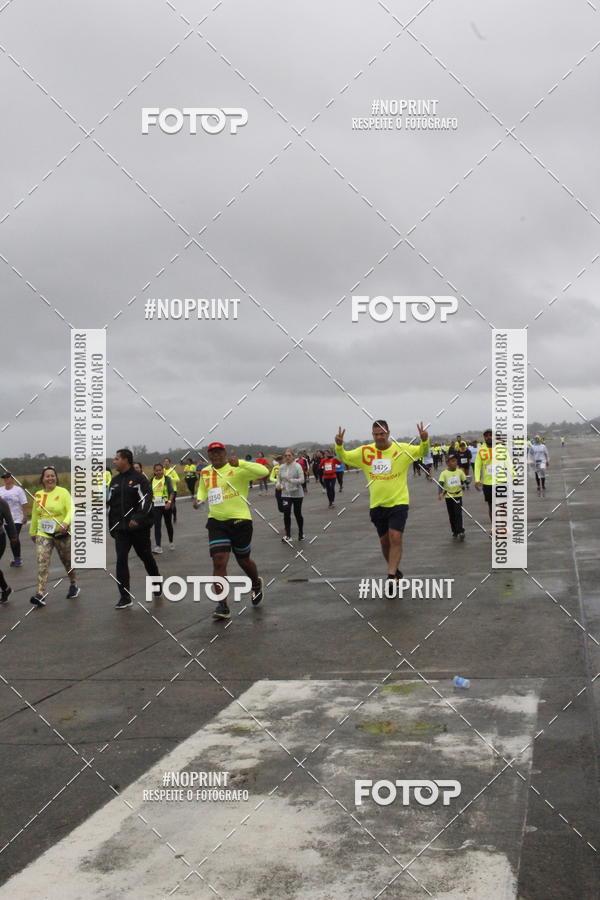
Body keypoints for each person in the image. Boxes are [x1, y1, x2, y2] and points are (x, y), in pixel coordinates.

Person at [335, 420, 429, 581]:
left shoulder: (402, 450)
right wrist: (339, 445)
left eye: (382, 434)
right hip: (377, 505)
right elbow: (344, 457)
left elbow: (422, 451)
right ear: (372, 435)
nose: (379, 437)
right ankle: (395, 569)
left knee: (396, 536)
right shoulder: (364, 452)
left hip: (399, 502)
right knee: (385, 542)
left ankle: (391, 576)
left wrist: (425, 440)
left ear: (388, 433)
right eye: (376, 434)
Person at [194, 442, 267, 620]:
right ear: (208, 455)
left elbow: (264, 472)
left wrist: (240, 463)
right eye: (212, 453)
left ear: (224, 453)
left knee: (243, 560)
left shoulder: (238, 468)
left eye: (219, 452)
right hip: (216, 521)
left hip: (241, 520)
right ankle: (222, 605)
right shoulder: (205, 472)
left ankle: (256, 583)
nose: (215, 455)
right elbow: (203, 490)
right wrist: (198, 500)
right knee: (219, 561)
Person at [108, 449, 161, 609]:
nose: (114, 461)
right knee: (121, 560)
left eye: (117, 458)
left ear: (126, 460)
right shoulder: (114, 481)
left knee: (146, 557)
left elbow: (146, 501)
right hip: (121, 530)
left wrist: (137, 519)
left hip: (139, 529)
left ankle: (157, 584)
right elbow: (111, 505)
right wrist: (112, 527)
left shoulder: (139, 480)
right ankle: (125, 597)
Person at [29, 466, 79, 607]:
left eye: (53, 476)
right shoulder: (38, 494)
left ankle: (73, 584)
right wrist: (33, 532)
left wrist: (65, 522)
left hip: (61, 533)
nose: (50, 478)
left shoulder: (63, 492)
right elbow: (35, 514)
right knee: (42, 561)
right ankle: (40, 593)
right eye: (47, 476)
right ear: (42, 479)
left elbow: (71, 509)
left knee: (67, 562)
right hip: (43, 533)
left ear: (56, 478)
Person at [277, 449, 305, 542]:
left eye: (289, 455)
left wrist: (291, 480)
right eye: (286, 455)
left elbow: (302, 480)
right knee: (286, 513)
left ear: (293, 456)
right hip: (285, 494)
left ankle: (301, 533)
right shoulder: (281, 467)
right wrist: (278, 485)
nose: (287, 457)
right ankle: (288, 535)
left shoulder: (297, 466)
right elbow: (279, 480)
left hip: (297, 494)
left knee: (297, 514)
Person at [0, 472, 27, 566]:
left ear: (12, 478)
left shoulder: (18, 490)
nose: (6, 479)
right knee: (12, 538)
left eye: (8, 477)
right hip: (5, 519)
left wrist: (25, 515)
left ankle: (17, 559)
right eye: (4, 478)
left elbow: (23, 503)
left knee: (14, 537)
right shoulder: (1, 490)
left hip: (17, 519)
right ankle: (17, 558)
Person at [438, 455, 466, 540]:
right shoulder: (444, 473)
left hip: (458, 495)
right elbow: (441, 484)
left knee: (458, 513)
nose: (455, 463)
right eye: (452, 461)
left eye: (455, 461)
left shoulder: (459, 472)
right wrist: (440, 493)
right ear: (447, 463)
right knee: (452, 514)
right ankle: (454, 530)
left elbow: (465, 480)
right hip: (449, 496)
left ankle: (461, 531)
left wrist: (464, 485)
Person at [151, 463, 175, 553]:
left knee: (168, 524)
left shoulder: (167, 479)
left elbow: (172, 492)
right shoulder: (151, 481)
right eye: (156, 470)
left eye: (160, 470)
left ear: (163, 470)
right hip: (156, 506)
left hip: (166, 505)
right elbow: (149, 493)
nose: (158, 472)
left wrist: (169, 502)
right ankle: (158, 546)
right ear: (154, 471)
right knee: (157, 525)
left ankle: (171, 542)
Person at [0, 497, 18, 603]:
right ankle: (6, 589)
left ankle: (6, 589)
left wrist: (14, 537)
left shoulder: (2, 502)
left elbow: (9, 521)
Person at [162, 458, 180, 523]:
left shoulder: (172, 470)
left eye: (167, 462)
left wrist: (170, 478)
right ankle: (168, 517)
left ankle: (174, 516)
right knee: (166, 504)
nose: (166, 463)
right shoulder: (162, 470)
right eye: (165, 462)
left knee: (172, 504)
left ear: (169, 463)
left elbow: (178, 479)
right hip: (164, 491)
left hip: (173, 490)